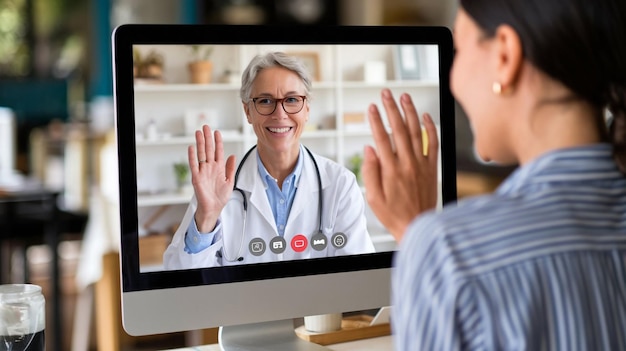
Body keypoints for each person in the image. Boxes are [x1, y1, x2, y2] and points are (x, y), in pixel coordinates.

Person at [363, 0, 626, 349]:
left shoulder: (448, 253)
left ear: (505, 56)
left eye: (458, 49)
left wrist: (423, 245)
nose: (452, 79)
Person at [164, 52, 375, 269]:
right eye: (265, 101)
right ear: (248, 111)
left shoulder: (340, 184)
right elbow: (179, 280)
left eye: (292, 100)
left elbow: (361, 280)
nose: (280, 114)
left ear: (307, 110)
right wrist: (207, 217)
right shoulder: (218, 187)